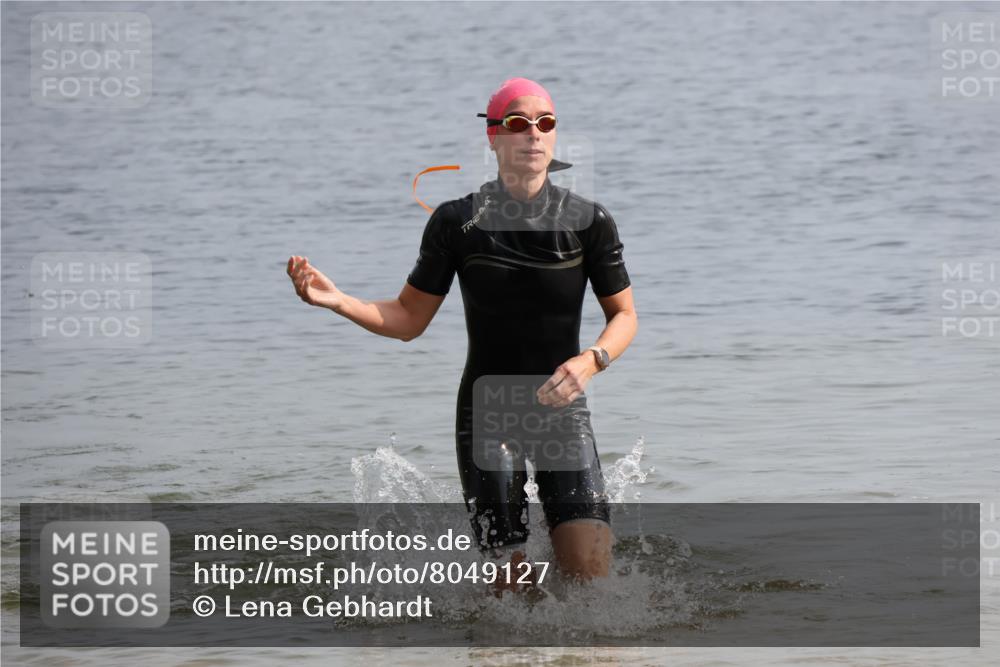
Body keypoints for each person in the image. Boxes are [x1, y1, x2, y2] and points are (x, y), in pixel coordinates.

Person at [287, 77, 637, 598]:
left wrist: (590, 362)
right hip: (488, 411)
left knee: (589, 572)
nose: (534, 135)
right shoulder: (457, 223)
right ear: (493, 137)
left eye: (546, 124)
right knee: (511, 590)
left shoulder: (588, 221)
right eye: (518, 124)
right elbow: (407, 318)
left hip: (562, 410)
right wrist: (339, 301)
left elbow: (625, 315)